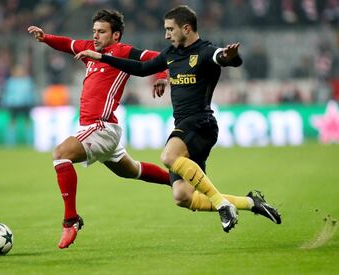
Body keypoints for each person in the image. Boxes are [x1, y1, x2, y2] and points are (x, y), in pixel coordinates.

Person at [75, 5, 282, 233]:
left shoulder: (205, 51)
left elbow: (224, 57)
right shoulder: (171, 54)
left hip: (201, 123)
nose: (166, 34)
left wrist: (230, 57)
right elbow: (143, 68)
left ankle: (223, 205)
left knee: (168, 156)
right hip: (184, 126)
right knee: (183, 197)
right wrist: (102, 57)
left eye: (170, 29)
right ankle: (252, 203)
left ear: (186, 28)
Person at [27, 9, 171, 249]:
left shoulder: (122, 52)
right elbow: (68, 44)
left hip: (100, 126)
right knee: (131, 170)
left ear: (116, 35)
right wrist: (46, 38)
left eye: (101, 32)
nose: (95, 36)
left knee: (60, 155)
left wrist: (162, 75)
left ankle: (70, 219)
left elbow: (158, 56)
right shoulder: (89, 51)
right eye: (94, 31)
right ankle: (174, 180)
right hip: (97, 129)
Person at [1, 64, 36, 147]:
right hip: (14, 104)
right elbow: (7, 93)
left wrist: (32, 101)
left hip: (25, 104)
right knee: (12, 123)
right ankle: (10, 143)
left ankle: (30, 142)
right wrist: (5, 103)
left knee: (27, 122)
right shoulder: (11, 81)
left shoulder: (28, 80)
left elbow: (31, 93)